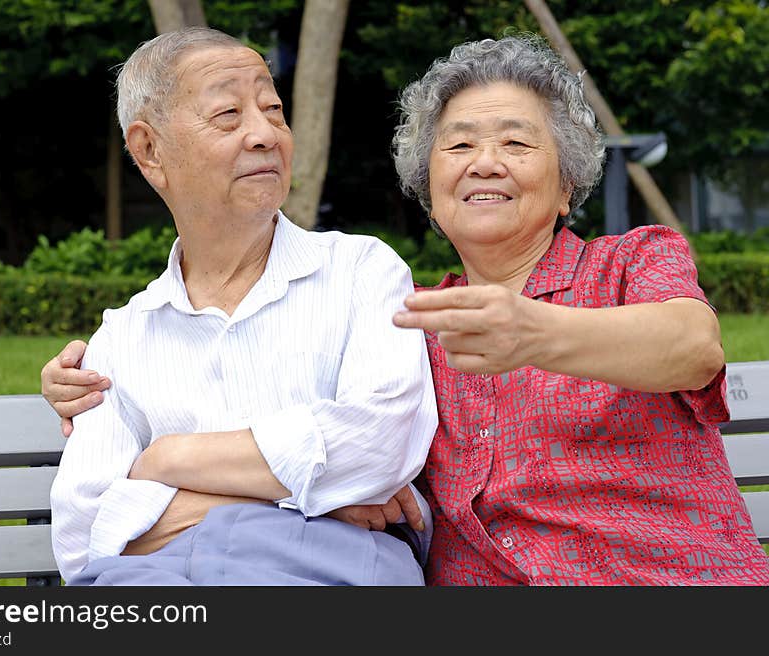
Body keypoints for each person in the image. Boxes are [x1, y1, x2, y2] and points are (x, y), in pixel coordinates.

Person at [44, 33, 769, 585]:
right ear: (432, 185)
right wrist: (305, 496)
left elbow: (691, 345)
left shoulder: (628, 263)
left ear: (565, 184)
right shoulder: (417, 317)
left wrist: (538, 332)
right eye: (459, 145)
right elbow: (86, 525)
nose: (485, 161)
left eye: (516, 142)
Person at [46, 26, 439, 587]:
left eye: (273, 109)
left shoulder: (361, 272)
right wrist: (311, 497)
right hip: (156, 584)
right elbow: (83, 536)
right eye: (228, 115)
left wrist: (166, 461)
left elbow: (380, 448)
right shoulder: (124, 337)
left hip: (330, 573)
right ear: (150, 150)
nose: (264, 134)